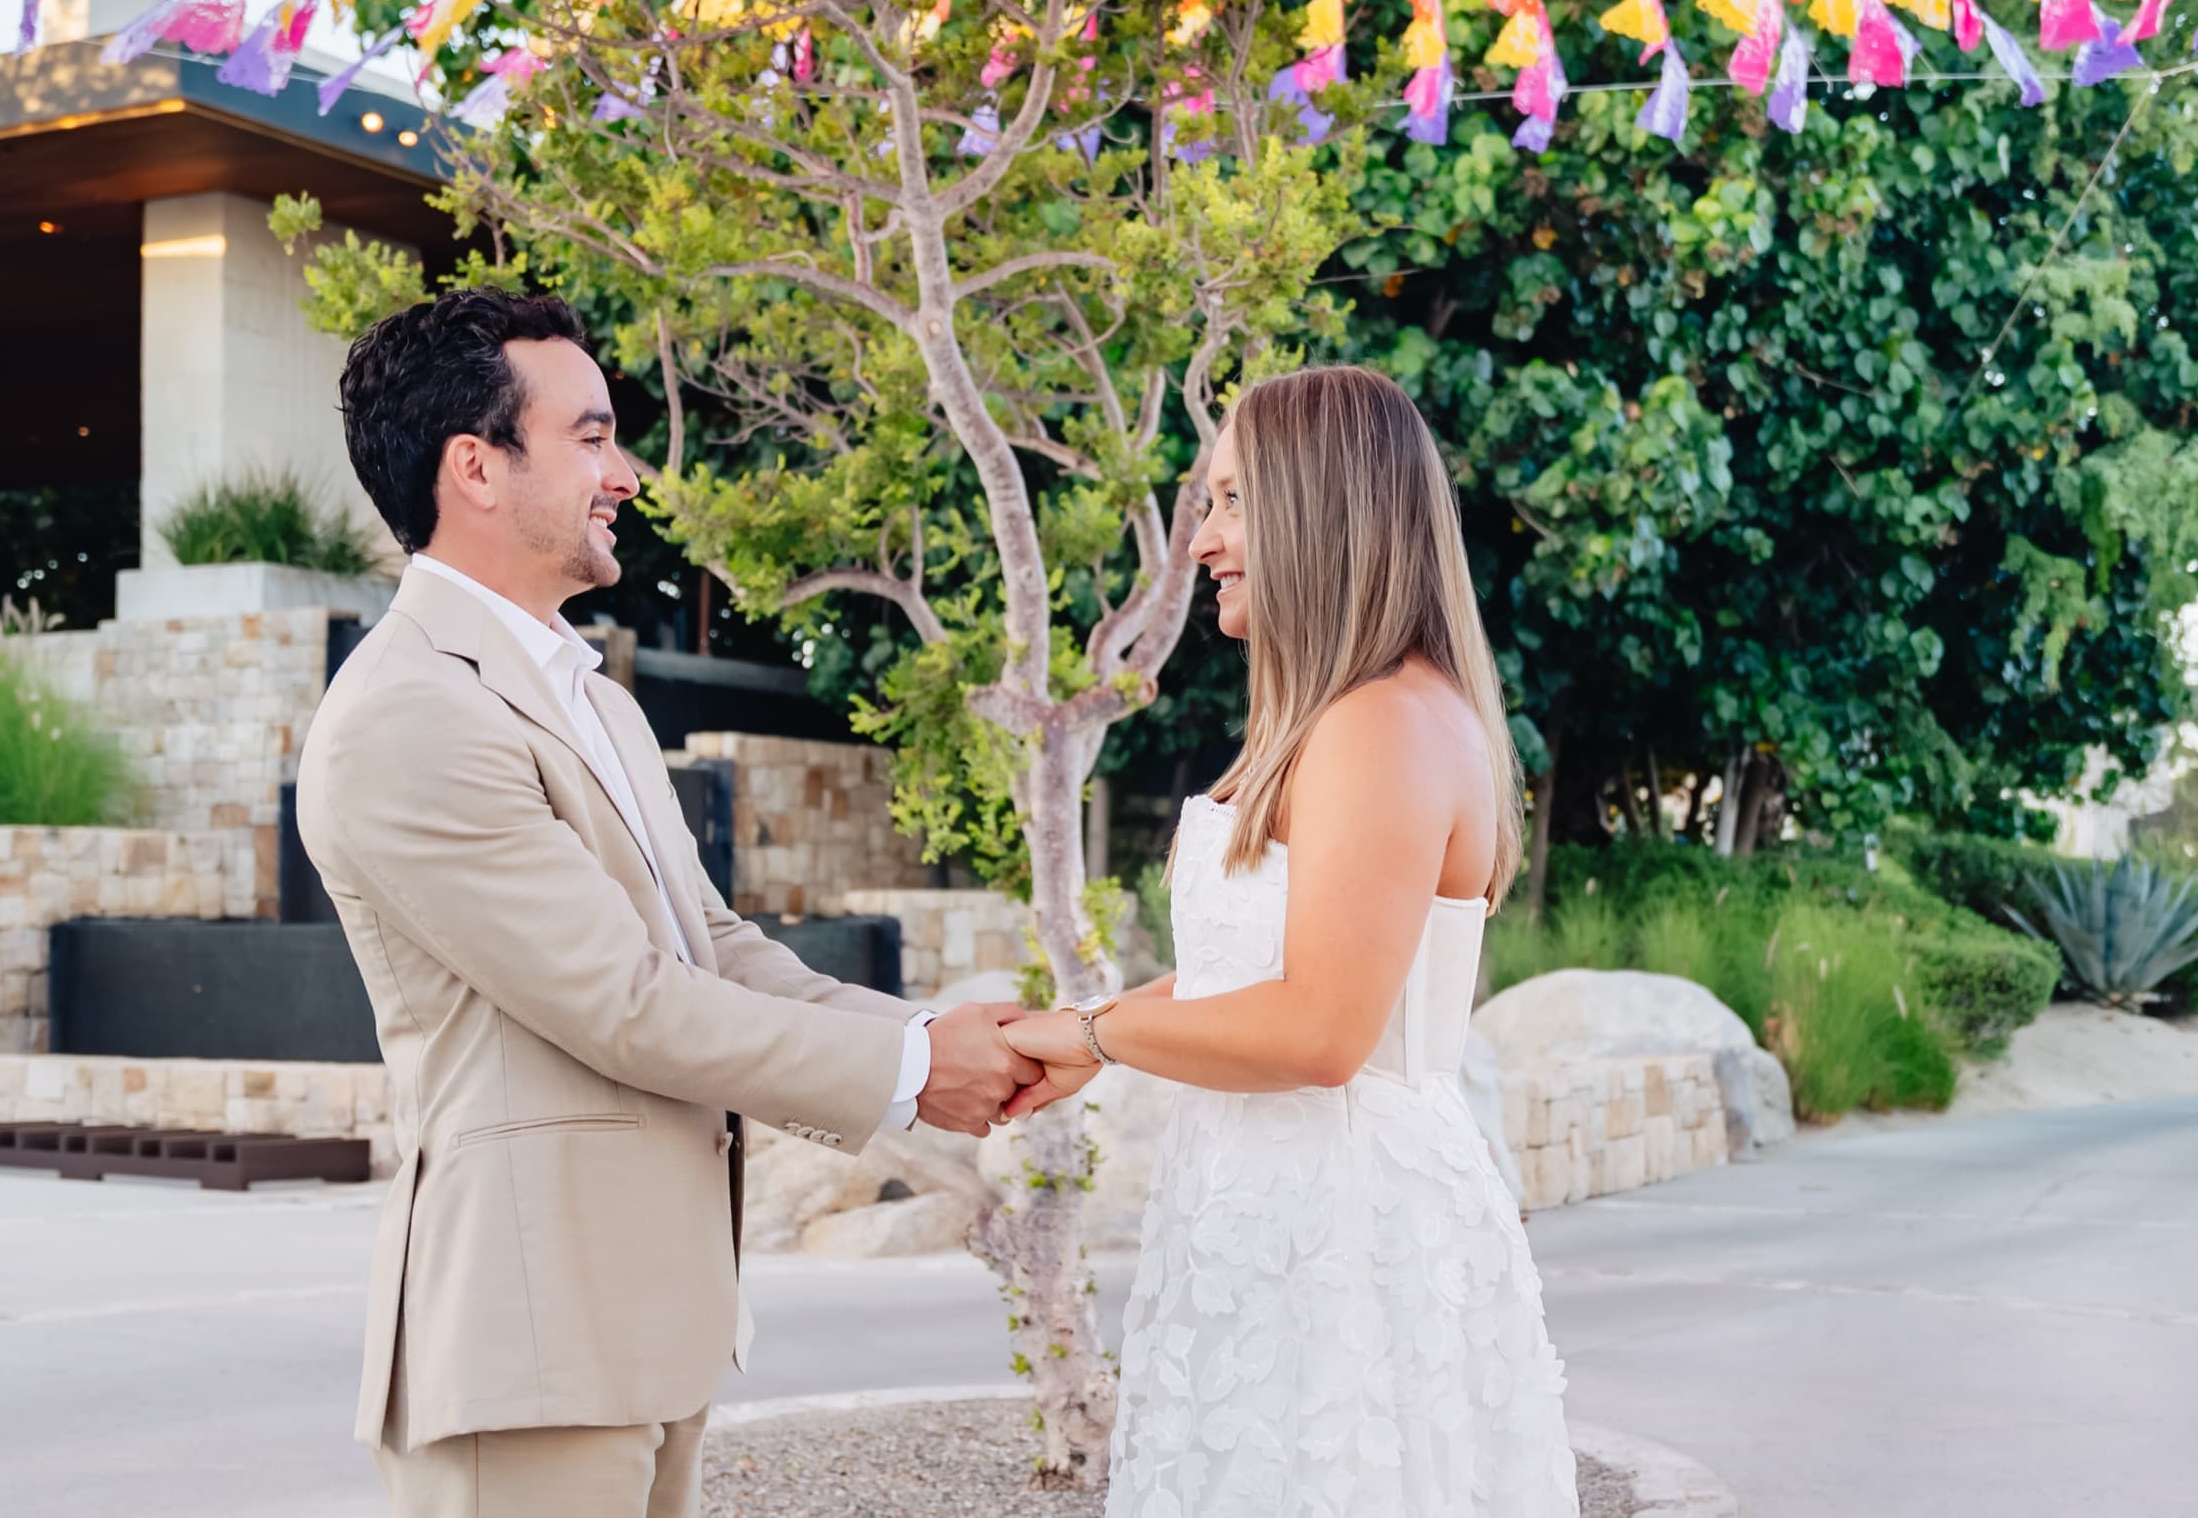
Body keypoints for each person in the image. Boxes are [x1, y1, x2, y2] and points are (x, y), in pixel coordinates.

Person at [294, 288, 1044, 1518]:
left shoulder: (592, 699)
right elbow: (627, 1006)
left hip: (639, 1327)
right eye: (590, 437)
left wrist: (937, 1039)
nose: (626, 473)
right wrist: (915, 1075)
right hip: (529, 1346)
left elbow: (718, 952)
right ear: (475, 469)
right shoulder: (409, 714)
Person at [1003, 366, 1580, 1515]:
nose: (1203, 540)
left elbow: (1320, 1027)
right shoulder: (1343, 716)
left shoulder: (1382, 723)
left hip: (1343, 1229)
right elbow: (1249, 975)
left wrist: (1092, 1031)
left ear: (1322, 505)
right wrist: (1082, 1042)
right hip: (1269, 1208)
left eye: (1231, 501)